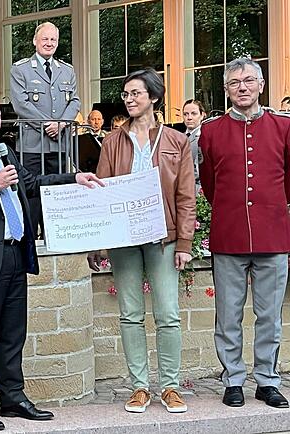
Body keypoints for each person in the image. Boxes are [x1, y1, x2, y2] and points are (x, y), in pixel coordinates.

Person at [0, 89, 102, 431]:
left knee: (13, 333)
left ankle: (12, 397)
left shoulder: (4, 152)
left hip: (14, 254)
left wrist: (74, 178)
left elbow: (32, 183)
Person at [87, 69, 196, 414]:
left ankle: (170, 386)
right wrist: (98, 241)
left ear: (153, 97)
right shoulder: (112, 141)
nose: (130, 99)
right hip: (123, 237)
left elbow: (186, 197)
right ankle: (139, 387)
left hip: (163, 237)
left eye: (136, 93)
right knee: (130, 314)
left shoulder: (176, 142)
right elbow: (102, 192)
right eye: (126, 94)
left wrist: (184, 243)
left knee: (168, 313)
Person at [199, 57, 290, 409]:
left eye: (249, 80)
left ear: (261, 86)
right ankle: (233, 379)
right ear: (226, 89)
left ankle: (267, 380)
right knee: (229, 313)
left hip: (273, 234)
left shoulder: (283, 127)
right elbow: (210, 184)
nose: (242, 87)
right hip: (230, 232)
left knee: (269, 314)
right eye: (235, 82)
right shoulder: (210, 131)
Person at [10, 21, 80, 238]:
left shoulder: (67, 71)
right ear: (35, 41)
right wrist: (46, 125)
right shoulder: (20, 69)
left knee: (57, 191)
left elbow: (75, 101)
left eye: (53, 40)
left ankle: (56, 236)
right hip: (32, 144)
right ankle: (30, 238)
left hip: (59, 143)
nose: (49, 43)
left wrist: (61, 124)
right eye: (45, 39)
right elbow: (21, 104)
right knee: (31, 192)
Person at [181, 99, 206, 187]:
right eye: (185, 114)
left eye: (194, 113)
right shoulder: (179, 138)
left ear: (202, 115)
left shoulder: (204, 137)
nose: (189, 117)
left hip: (197, 190)